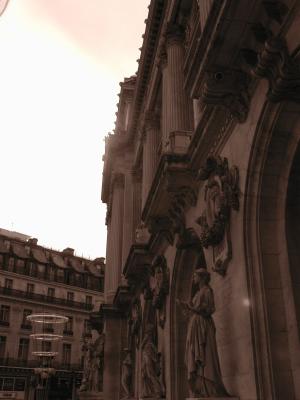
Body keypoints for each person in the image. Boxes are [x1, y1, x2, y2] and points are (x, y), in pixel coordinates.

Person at [177, 268, 229, 397]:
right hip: (195, 326)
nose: (193, 278)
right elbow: (191, 311)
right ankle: (200, 388)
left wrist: (192, 308)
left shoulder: (207, 291)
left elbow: (210, 309)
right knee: (194, 355)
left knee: (206, 356)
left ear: (201, 277)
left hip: (203, 327)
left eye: (195, 276)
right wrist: (185, 306)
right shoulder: (198, 293)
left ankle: (210, 388)